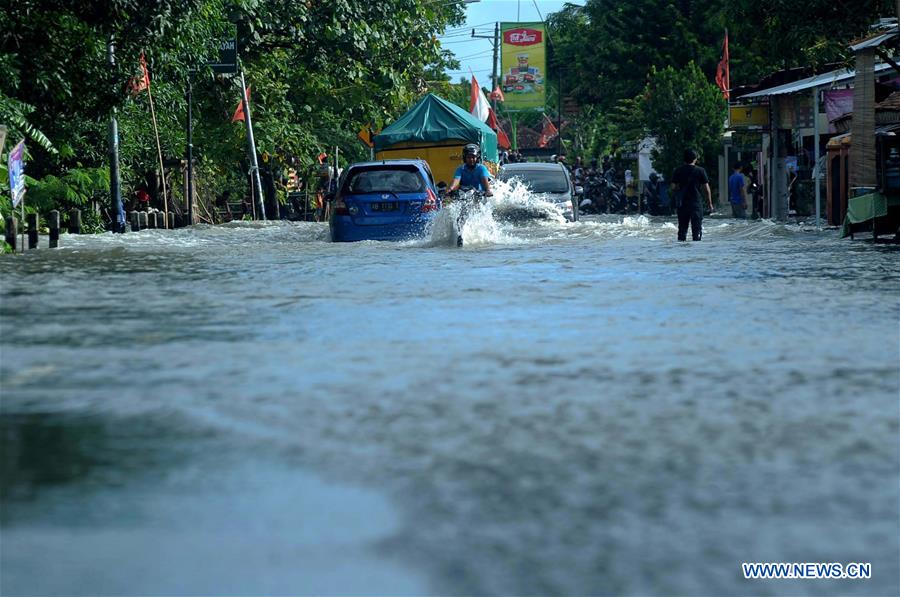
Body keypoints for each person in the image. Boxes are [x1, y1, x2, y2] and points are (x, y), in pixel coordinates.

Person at [670, 149, 713, 241]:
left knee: (682, 230)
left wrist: (679, 186)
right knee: (697, 230)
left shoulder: (678, 170)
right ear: (695, 159)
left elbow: (673, 187)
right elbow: (706, 189)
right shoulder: (700, 170)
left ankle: (681, 248)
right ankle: (696, 248)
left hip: (682, 204)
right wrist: (710, 203)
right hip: (696, 203)